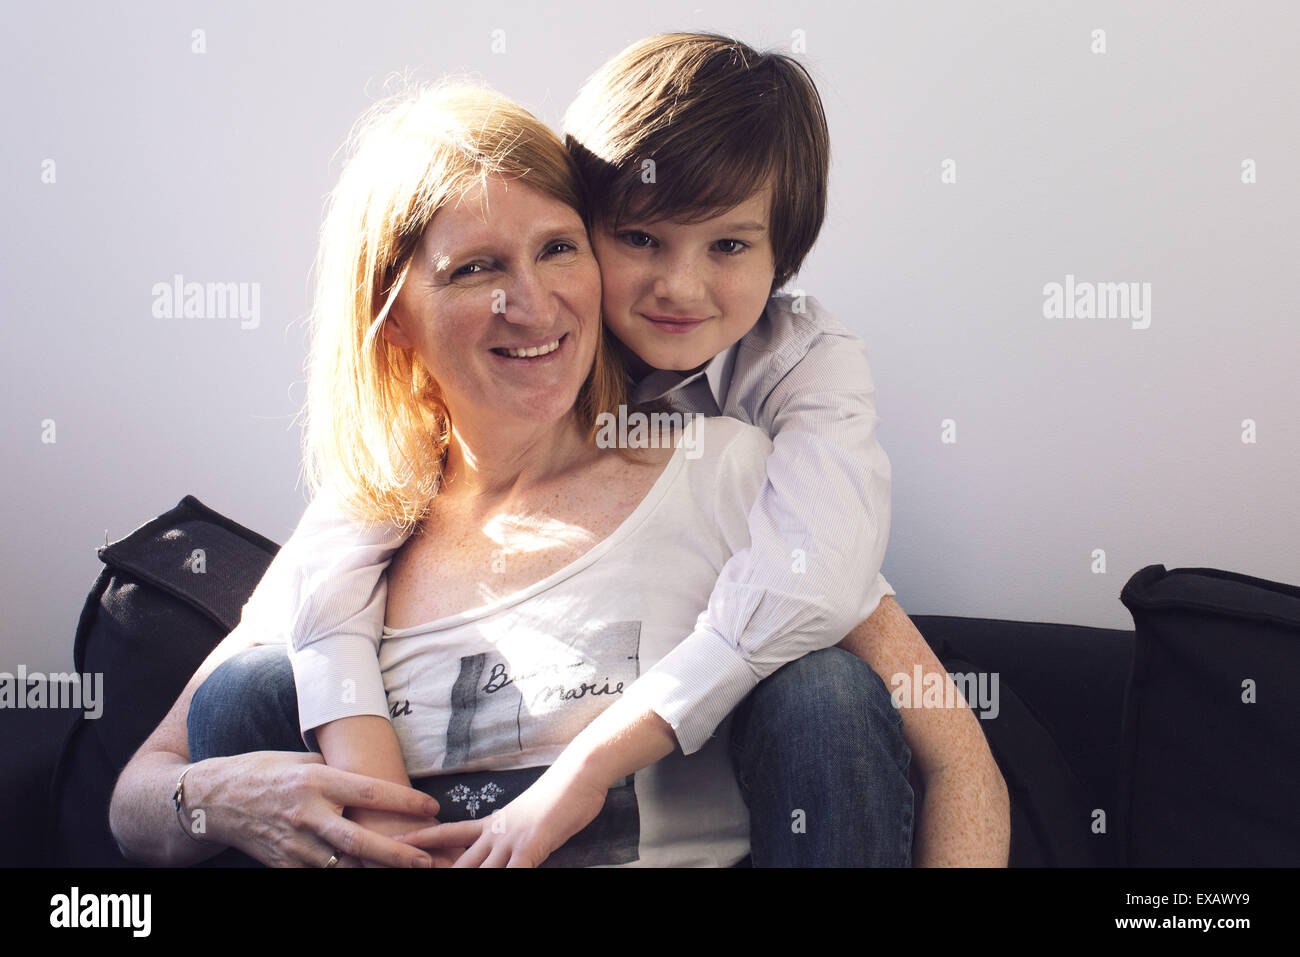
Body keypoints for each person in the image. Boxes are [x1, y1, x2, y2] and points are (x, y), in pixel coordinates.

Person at [112, 36, 1008, 868]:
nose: (534, 306)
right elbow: (144, 786)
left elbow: (952, 754)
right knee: (250, 693)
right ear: (393, 320)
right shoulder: (363, 522)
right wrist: (213, 796)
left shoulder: (749, 458)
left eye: (555, 251)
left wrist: (587, 768)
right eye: (475, 268)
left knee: (826, 690)